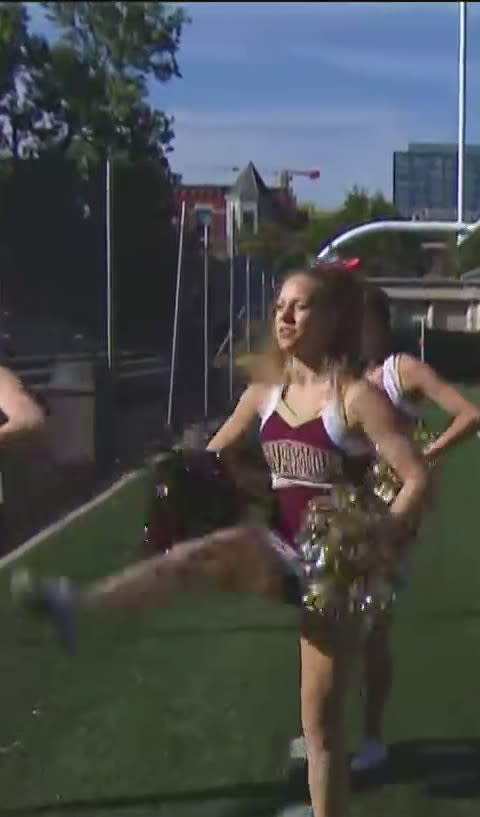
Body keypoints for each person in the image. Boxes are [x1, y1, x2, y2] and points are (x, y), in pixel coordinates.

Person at [15, 264, 431, 817]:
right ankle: (82, 606)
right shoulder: (265, 391)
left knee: (321, 727)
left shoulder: (355, 399)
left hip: (337, 569)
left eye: (300, 305)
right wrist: (186, 479)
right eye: (280, 304)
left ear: (331, 320)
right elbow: (212, 458)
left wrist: (379, 535)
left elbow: (417, 477)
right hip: (285, 551)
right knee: (206, 551)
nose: (283, 314)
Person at [332, 282, 480, 774]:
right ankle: (328, 725)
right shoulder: (342, 377)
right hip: (345, 513)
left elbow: (471, 414)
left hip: (393, 516)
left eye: (361, 320)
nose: (353, 330)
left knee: (372, 628)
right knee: (335, 621)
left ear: (378, 323)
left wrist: (423, 455)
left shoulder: (401, 372)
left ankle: (372, 736)